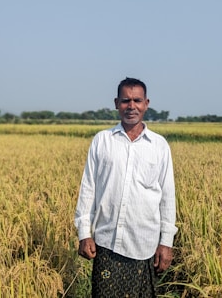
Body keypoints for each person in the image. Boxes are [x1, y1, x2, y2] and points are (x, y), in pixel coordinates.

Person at [74, 77, 178, 297]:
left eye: (137, 100)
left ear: (146, 103)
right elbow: (88, 189)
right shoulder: (102, 141)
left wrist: (166, 243)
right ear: (116, 103)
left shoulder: (159, 146)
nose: (131, 106)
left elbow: (167, 197)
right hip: (107, 245)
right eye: (125, 101)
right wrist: (84, 233)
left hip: (145, 247)